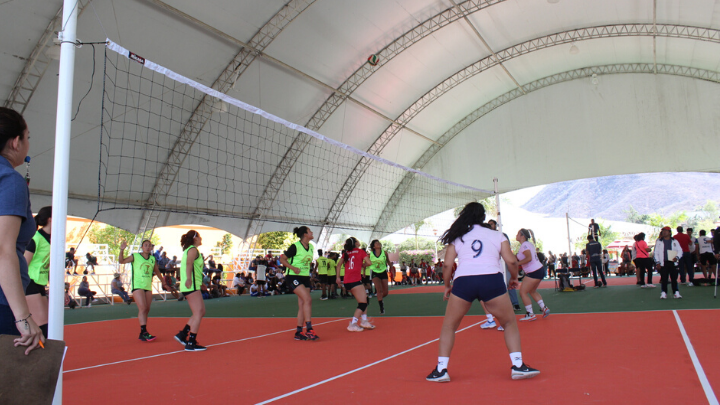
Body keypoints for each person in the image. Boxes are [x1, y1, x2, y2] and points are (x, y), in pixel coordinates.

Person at [427, 202, 539, 383]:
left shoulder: (458, 237)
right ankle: (518, 366)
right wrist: (514, 278)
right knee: (509, 322)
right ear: (483, 217)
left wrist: (447, 285)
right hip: (491, 280)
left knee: (449, 326)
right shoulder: (497, 235)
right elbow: (511, 261)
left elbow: (447, 265)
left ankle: (441, 370)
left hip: (464, 282)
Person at [118, 239, 169, 341]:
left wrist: (164, 282)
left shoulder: (152, 259)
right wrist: (121, 250)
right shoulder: (135, 256)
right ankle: (144, 331)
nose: (148, 247)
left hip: (147, 286)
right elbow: (121, 261)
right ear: (142, 247)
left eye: (149, 246)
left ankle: (143, 332)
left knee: (146, 309)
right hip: (138, 286)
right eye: (146, 245)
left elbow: (157, 272)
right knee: (143, 308)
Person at [280, 226, 319, 341]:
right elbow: (282, 259)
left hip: (305, 278)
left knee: (303, 304)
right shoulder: (295, 246)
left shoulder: (311, 247)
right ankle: (309, 329)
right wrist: (293, 268)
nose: (312, 232)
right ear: (305, 234)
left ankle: (298, 332)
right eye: (310, 231)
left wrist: (310, 272)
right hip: (293, 276)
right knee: (308, 299)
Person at [174, 230, 208, 351]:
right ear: (195, 238)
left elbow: (194, 269)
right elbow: (189, 264)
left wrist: (201, 283)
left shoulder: (190, 250)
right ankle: (191, 342)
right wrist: (189, 279)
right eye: (199, 236)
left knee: (200, 311)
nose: (201, 238)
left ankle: (183, 334)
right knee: (198, 312)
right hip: (190, 285)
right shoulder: (193, 250)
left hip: (193, 285)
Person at [22, 206, 52, 338]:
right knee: (42, 325)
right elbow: (23, 264)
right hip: (29, 282)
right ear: (51, 219)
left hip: (39, 283)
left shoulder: (53, 239)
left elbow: (50, 266)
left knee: (47, 324)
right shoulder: (36, 238)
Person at [336, 237, 374, 332]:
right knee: (362, 303)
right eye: (357, 240)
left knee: (364, 300)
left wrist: (337, 277)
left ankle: (364, 321)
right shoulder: (360, 251)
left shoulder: (346, 253)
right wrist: (363, 265)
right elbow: (369, 262)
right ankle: (353, 323)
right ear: (356, 243)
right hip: (355, 280)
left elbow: (339, 265)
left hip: (347, 281)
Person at [516, 229, 549, 321]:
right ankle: (544, 308)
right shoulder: (528, 245)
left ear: (522, 236)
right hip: (539, 270)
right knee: (532, 291)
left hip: (533, 271)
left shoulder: (524, 245)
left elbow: (529, 258)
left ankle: (530, 314)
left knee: (523, 292)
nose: (516, 235)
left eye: (518, 234)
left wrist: (516, 264)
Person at [654, 226, 683, 299]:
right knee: (664, 278)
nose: (664, 232)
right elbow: (656, 252)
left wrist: (677, 257)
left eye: (666, 231)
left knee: (674, 278)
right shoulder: (659, 241)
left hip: (673, 262)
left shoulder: (674, 241)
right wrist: (657, 262)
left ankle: (676, 292)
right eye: (663, 231)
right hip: (663, 263)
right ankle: (663, 293)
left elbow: (680, 251)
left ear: (670, 232)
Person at [369, 240, 391, 315]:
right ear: (374, 246)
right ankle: (381, 308)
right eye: (376, 243)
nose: (378, 244)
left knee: (385, 292)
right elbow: (366, 262)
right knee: (378, 289)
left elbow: (388, 261)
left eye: (379, 243)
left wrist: (392, 269)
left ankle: (380, 299)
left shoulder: (384, 253)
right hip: (375, 272)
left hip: (383, 272)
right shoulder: (370, 254)